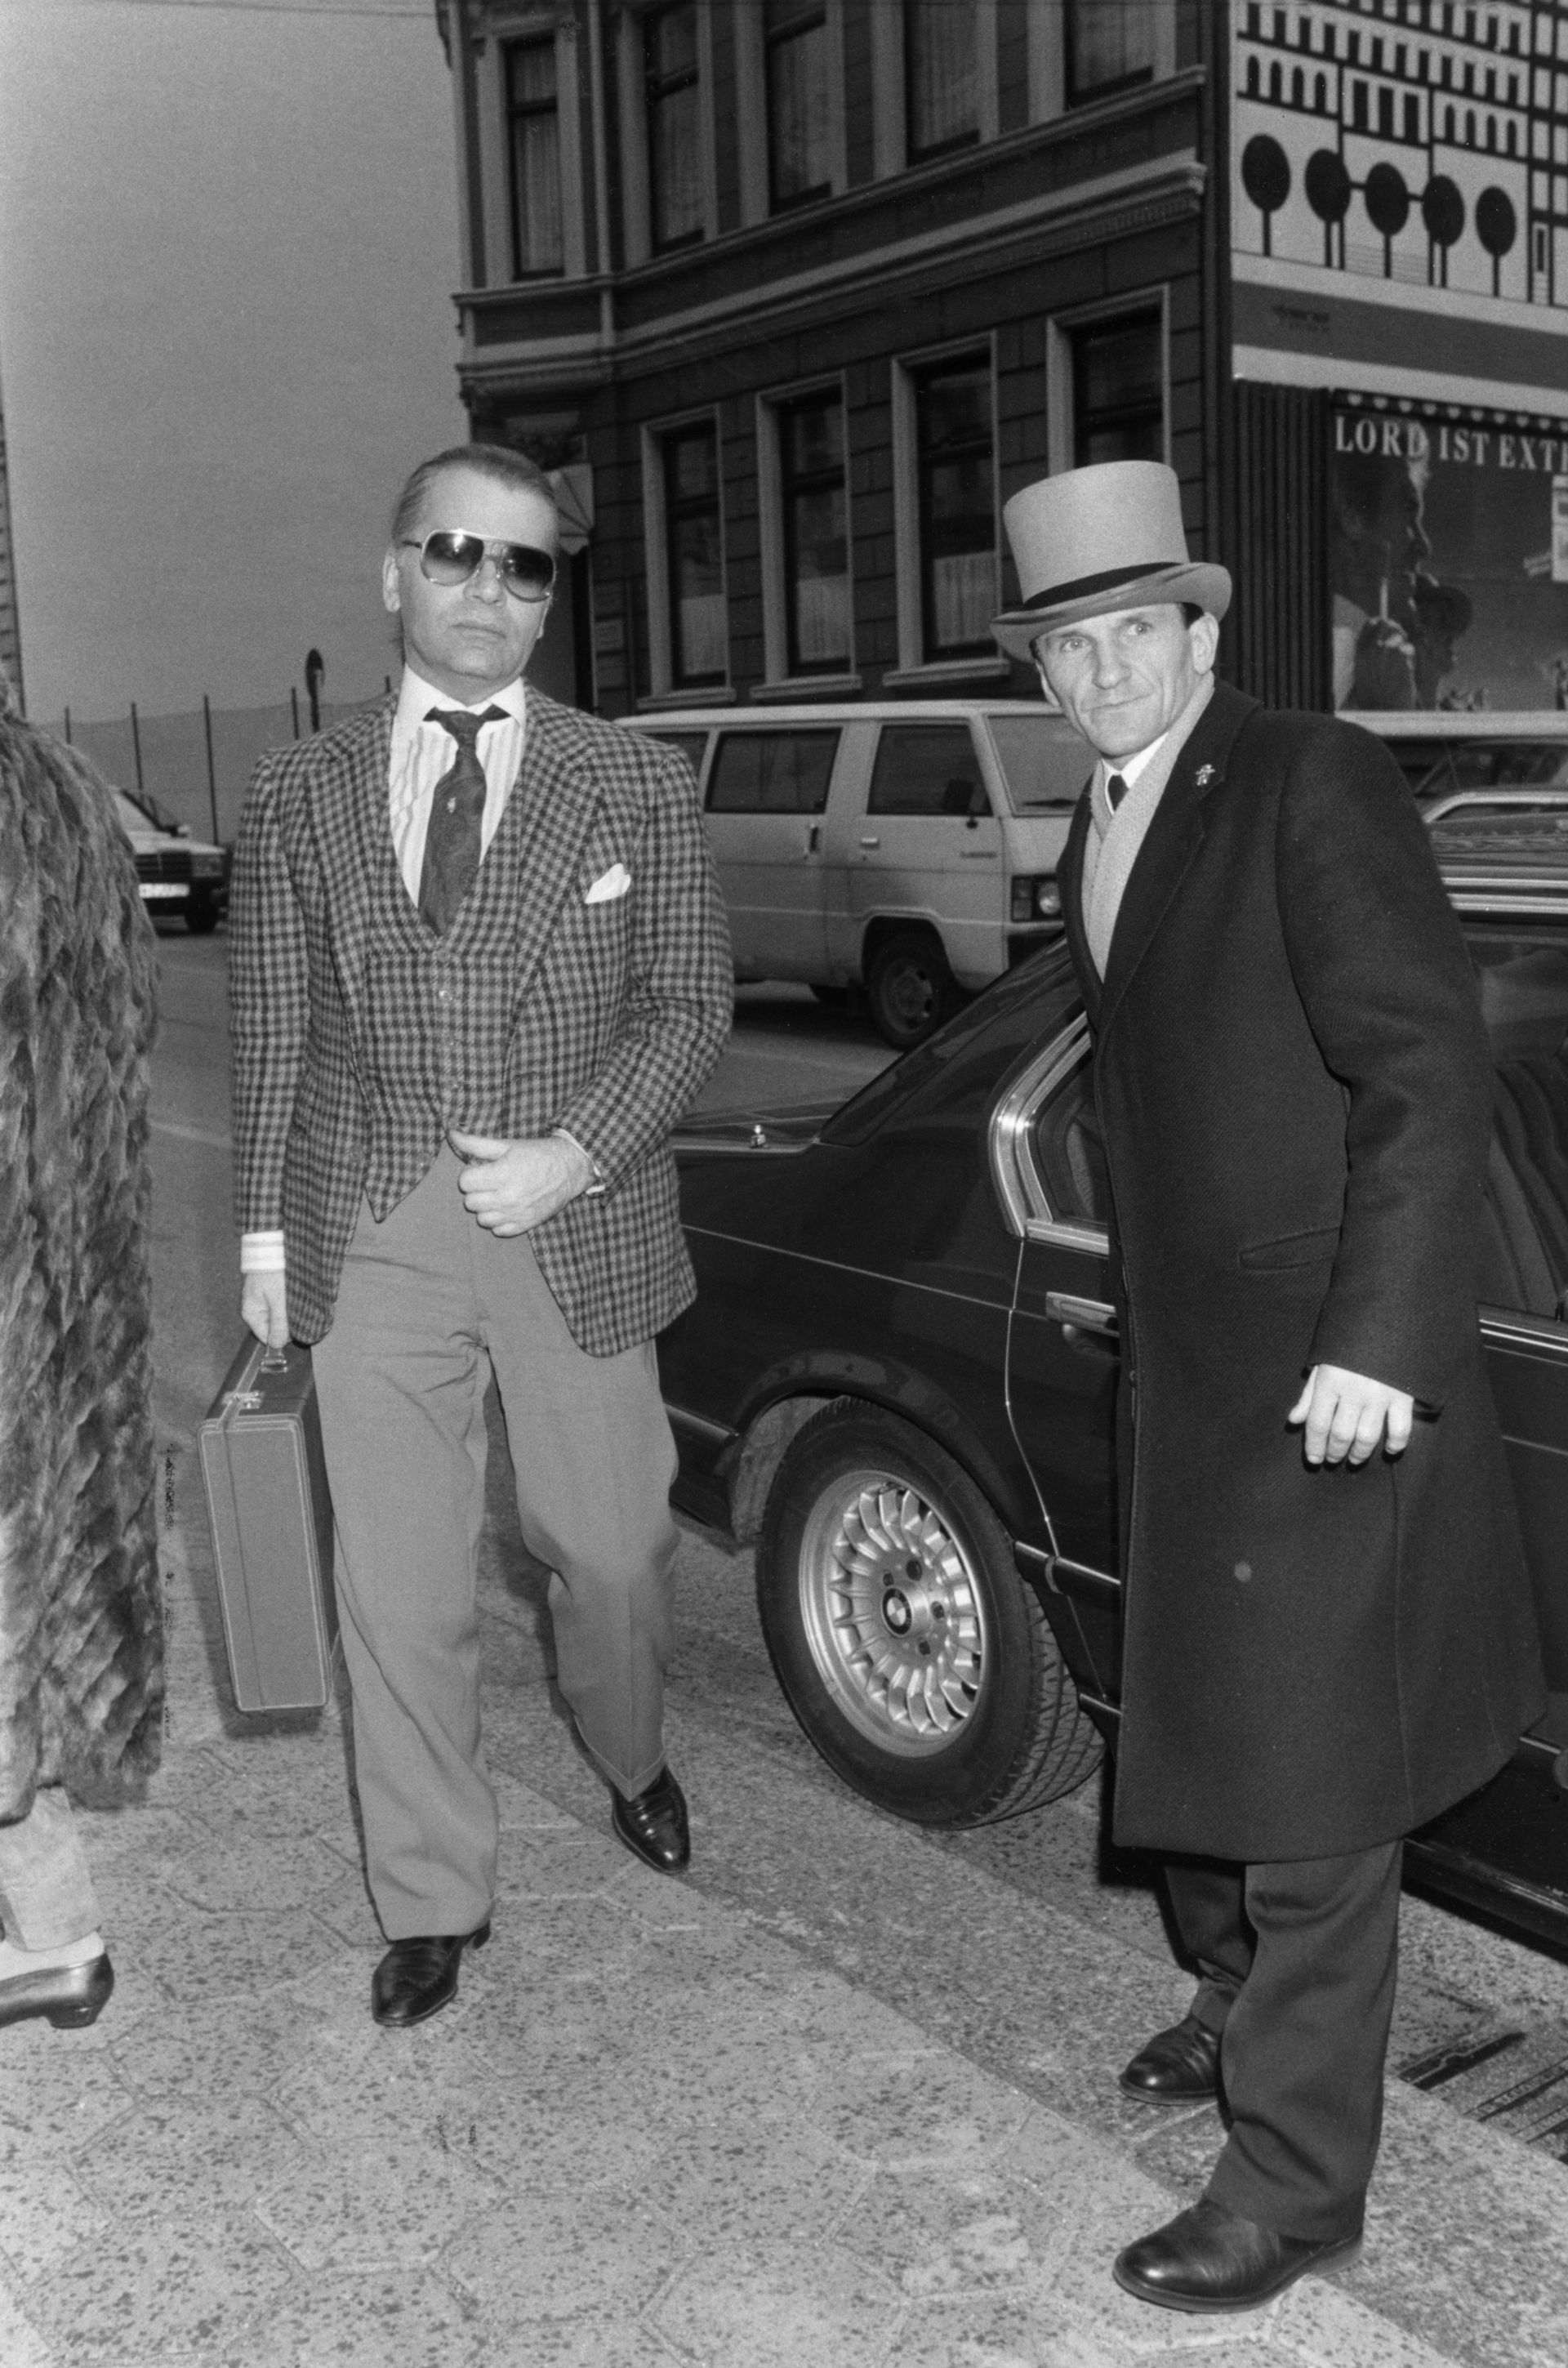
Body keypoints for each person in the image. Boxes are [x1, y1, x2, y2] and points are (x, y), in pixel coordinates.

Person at [991, 462, 1544, 2314]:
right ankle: (1235, 2005)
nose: (1103, 674)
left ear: (1201, 636)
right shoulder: (1103, 817)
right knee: (1211, 1727)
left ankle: (1297, 2186)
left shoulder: (1309, 775)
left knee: (1313, 1789)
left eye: (1133, 633)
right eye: (1069, 649)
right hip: (1194, 1372)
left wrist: (1379, 1341)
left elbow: (1426, 1072)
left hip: (1327, 1374)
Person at [232, 443, 731, 2031]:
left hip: (569, 1220)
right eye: (456, 551)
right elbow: (272, 1023)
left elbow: (691, 1007)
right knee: (395, 1588)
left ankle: (631, 1750)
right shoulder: (299, 789)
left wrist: (575, 1154)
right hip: (373, 1223)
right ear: (394, 573)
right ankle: (434, 1895)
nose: (487, 587)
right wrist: (261, 1233)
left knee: (611, 1555)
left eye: (525, 565)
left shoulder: (633, 778)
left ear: (548, 600)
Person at [0, 667, 163, 2030]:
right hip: (62, 1273)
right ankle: (57, 1933)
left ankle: (59, 1934)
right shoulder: (69, 794)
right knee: (31, 1592)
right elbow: (128, 1020)